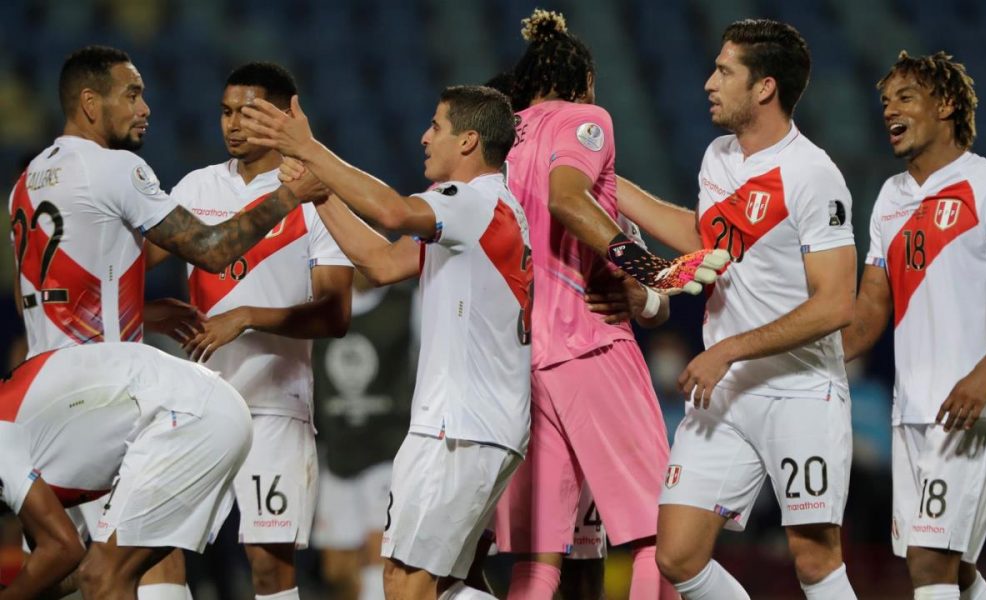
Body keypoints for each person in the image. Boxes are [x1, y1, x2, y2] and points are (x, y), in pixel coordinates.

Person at [7, 45, 306, 599]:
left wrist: (139, 308)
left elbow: (63, 294)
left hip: (41, 404)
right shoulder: (116, 167)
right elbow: (213, 250)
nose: (145, 108)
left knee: (69, 576)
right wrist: (291, 195)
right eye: (132, 94)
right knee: (151, 570)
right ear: (91, 103)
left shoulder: (27, 182)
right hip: (106, 401)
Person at [242, 84, 531, 600]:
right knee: (431, 583)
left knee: (406, 584)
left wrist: (309, 147)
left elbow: (393, 213)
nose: (424, 137)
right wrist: (319, 192)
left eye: (436, 126)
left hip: (459, 427)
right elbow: (379, 263)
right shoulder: (483, 215)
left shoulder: (471, 200)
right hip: (476, 424)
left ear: (468, 142)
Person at [488, 10, 725, 600]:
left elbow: (646, 298)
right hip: (588, 348)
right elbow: (566, 198)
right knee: (656, 535)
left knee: (537, 562)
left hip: (519, 368)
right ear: (586, 81)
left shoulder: (494, 145)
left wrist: (641, 291)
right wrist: (650, 270)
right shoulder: (586, 122)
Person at [651, 19, 859, 600]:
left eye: (724, 71)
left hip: (800, 391)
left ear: (764, 87)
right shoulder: (718, 157)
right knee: (678, 554)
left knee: (814, 559)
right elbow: (706, 240)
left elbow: (836, 303)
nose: (709, 83)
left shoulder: (814, 176)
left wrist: (728, 348)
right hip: (728, 392)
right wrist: (611, 188)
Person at [145, 61, 354, 600]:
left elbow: (334, 314)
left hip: (274, 405)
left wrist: (247, 318)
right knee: (159, 551)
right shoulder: (196, 186)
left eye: (249, 112)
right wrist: (146, 314)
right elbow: (128, 264)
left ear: (286, 115)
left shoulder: (315, 195)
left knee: (267, 568)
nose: (233, 124)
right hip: (194, 402)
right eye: (226, 111)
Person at [842, 51, 986, 600]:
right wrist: (800, 360)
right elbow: (867, 316)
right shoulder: (889, 197)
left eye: (905, 98)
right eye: (885, 102)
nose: (890, 110)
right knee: (951, 570)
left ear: (947, 105)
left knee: (929, 566)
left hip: (971, 408)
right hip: (911, 412)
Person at [0, 342, 252, 598]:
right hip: (204, 408)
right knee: (106, 573)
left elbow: (64, 550)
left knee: (103, 575)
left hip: (190, 416)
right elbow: (58, 574)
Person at [310, 273, 415, 600]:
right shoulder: (316, 312)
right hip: (337, 452)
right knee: (337, 570)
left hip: (388, 450)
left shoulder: (407, 305)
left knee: (378, 553)